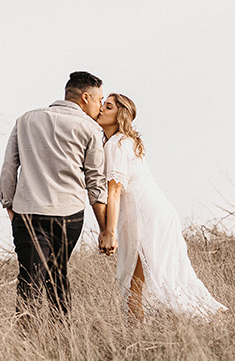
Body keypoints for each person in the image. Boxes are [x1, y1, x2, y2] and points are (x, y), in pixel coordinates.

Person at [97, 93, 227, 320]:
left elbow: (115, 190)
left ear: (120, 115)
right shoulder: (125, 142)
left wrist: (109, 233)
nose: (101, 110)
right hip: (158, 210)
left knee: (136, 282)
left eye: (108, 107)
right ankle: (209, 314)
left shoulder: (117, 145)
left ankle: (139, 332)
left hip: (145, 214)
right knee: (163, 275)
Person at [0, 71, 108, 322]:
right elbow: (95, 181)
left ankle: (26, 341)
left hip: (28, 212)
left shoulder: (26, 119)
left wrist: (9, 203)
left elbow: (9, 166)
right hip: (68, 215)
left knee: (29, 278)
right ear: (84, 97)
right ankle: (61, 335)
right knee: (58, 276)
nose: (100, 106)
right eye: (99, 99)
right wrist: (104, 228)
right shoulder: (90, 128)